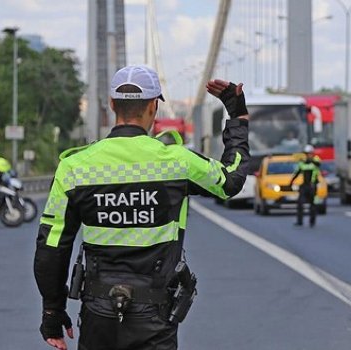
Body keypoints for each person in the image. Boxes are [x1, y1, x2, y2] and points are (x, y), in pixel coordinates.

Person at [34, 65, 250, 350]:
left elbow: (51, 247)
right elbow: (230, 180)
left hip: (98, 312)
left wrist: (53, 312)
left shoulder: (74, 167)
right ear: (153, 107)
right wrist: (237, 117)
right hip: (155, 314)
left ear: (112, 104)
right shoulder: (177, 162)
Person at [289, 145, 321, 227]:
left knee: (313, 204)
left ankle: (312, 222)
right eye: (307, 154)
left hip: (312, 186)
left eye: (310, 154)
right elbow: (297, 173)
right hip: (304, 185)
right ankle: (299, 221)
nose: (308, 155)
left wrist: (311, 160)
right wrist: (291, 182)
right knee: (300, 203)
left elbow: (318, 164)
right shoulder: (302, 163)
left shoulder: (315, 160)